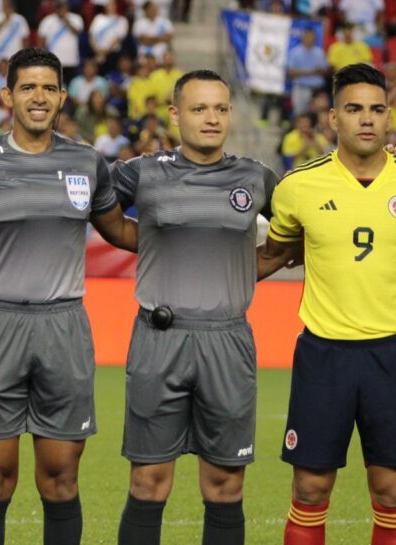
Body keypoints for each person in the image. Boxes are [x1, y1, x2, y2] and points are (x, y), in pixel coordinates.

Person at [260, 63, 396, 545]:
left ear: (390, 118)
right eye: (353, 109)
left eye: (376, 109)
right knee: (310, 488)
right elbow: (273, 254)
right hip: (322, 354)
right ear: (333, 118)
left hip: (392, 355)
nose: (366, 119)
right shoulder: (297, 188)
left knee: (392, 492)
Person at [0, 47, 138, 545]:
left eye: (48, 88)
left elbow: (120, 231)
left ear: (62, 96)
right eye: (27, 87)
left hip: (64, 327)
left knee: (60, 477)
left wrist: (199, 240)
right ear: (7, 96)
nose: (38, 97)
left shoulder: (86, 161)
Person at [112, 70, 279, 545]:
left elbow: (303, 229)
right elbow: (98, 209)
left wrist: (246, 271)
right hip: (158, 339)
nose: (212, 119)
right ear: (175, 114)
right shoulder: (141, 172)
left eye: (221, 109)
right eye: (200, 108)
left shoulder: (257, 177)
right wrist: (146, 245)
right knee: (148, 482)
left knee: (225, 485)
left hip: (227, 340)